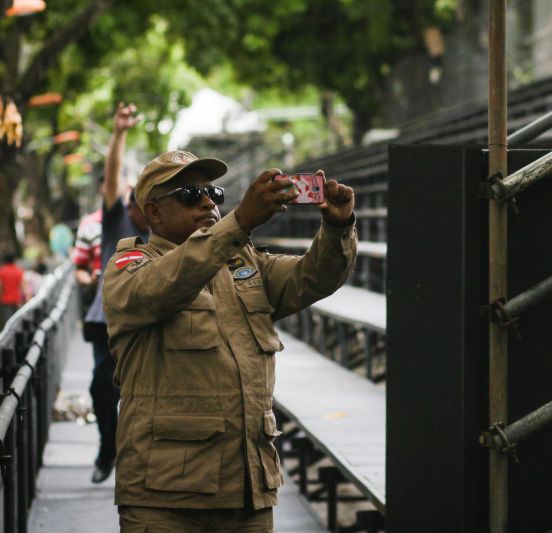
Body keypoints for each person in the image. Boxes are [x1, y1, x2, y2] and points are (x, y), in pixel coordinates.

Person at [103, 150, 356, 532]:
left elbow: (311, 277)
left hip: (246, 492)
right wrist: (238, 222)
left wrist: (337, 229)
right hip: (166, 501)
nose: (207, 202)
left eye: (215, 194)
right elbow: (160, 288)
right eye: (191, 194)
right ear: (155, 213)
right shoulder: (132, 266)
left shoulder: (242, 262)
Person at [84, 102, 148, 484]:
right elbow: (112, 178)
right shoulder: (117, 220)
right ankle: (107, 448)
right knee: (101, 389)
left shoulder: (169, 226)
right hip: (107, 322)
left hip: (148, 321)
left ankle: (136, 460)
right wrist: (119, 133)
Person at [0, 255, 24, 328]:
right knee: (16, 320)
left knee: (7, 321)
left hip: (5, 300)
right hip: (16, 299)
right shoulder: (19, 271)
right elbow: (23, 286)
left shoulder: (2, 271)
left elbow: (0, 286)